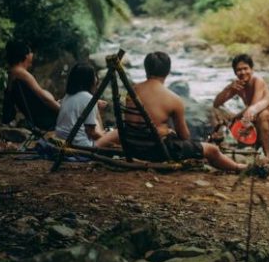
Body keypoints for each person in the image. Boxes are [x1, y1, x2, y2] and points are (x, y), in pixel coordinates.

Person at [98, 52, 246, 172]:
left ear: (146, 69)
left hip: (131, 145)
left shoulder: (131, 90)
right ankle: (239, 167)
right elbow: (184, 136)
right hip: (155, 150)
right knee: (212, 150)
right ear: (168, 71)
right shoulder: (173, 98)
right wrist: (167, 131)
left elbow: (136, 122)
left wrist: (163, 129)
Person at [212, 53, 269, 147]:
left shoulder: (257, 81)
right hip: (250, 118)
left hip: (267, 122)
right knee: (215, 111)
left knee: (260, 113)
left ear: (252, 70)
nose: (243, 72)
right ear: (234, 72)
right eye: (239, 70)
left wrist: (234, 118)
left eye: (245, 68)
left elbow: (254, 108)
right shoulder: (238, 84)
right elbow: (216, 103)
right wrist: (228, 88)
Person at [1, 40, 59, 130]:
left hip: (38, 117)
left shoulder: (12, 73)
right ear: (25, 55)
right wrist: (62, 110)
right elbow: (45, 99)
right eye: (30, 52)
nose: (32, 55)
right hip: (47, 119)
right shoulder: (22, 73)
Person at [55, 62, 107, 147]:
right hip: (81, 146)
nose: (96, 79)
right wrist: (105, 137)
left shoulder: (67, 96)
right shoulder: (88, 98)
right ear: (89, 79)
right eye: (94, 76)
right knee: (116, 134)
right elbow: (91, 133)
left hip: (63, 141)